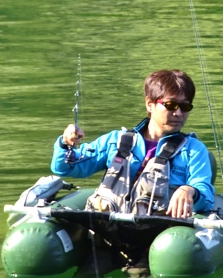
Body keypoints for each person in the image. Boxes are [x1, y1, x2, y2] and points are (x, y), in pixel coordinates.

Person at [51, 69, 214, 218]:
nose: (178, 113)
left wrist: (190, 191)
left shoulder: (194, 150)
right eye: (171, 105)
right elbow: (64, 168)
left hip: (160, 236)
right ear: (150, 104)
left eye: (185, 106)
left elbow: (205, 197)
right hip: (108, 229)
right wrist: (66, 144)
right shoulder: (115, 141)